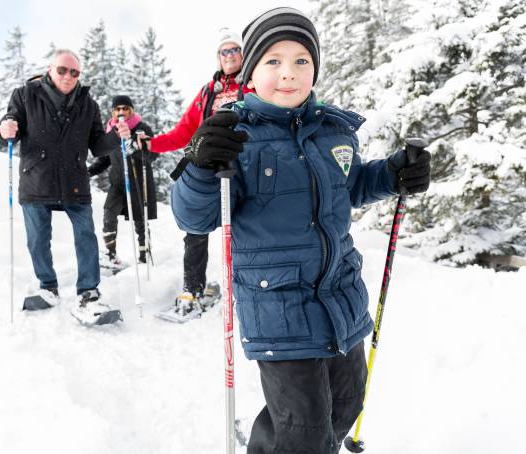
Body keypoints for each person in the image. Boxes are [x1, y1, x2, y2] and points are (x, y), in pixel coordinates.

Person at [171, 7, 431, 454]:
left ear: (314, 69)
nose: (287, 73)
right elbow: (193, 218)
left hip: (342, 300)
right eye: (273, 61)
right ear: (250, 73)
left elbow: (350, 187)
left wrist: (392, 175)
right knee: (305, 432)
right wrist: (200, 166)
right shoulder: (237, 138)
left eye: (300, 61)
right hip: (279, 310)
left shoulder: (334, 132)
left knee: (345, 405)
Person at [0, 49, 130, 321]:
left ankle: (89, 292)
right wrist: (3, 129)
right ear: (50, 69)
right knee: (37, 240)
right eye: (62, 70)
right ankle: (48, 287)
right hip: (36, 180)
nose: (68, 76)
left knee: (86, 237)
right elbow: (10, 128)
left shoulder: (88, 104)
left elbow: (97, 145)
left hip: (74, 181)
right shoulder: (25, 95)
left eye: (74, 72)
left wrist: (116, 136)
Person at [142, 27, 252, 313]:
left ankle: (247, 288)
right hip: (207, 169)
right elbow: (183, 133)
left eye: (234, 50)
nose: (229, 55)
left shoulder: (254, 85)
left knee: (246, 228)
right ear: (218, 57)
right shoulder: (207, 93)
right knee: (195, 231)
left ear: (244, 53)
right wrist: (150, 146)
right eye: (224, 51)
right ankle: (193, 289)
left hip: (245, 169)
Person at [88, 95, 156, 265]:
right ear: (113, 112)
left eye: (125, 108)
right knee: (109, 214)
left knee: (140, 220)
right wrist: (88, 172)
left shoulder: (142, 128)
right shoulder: (111, 131)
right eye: (117, 109)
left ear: (131, 110)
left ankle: (144, 255)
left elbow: (153, 154)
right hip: (117, 183)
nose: (121, 112)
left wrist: (136, 148)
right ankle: (111, 255)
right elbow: (105, 159)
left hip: (138, 182)